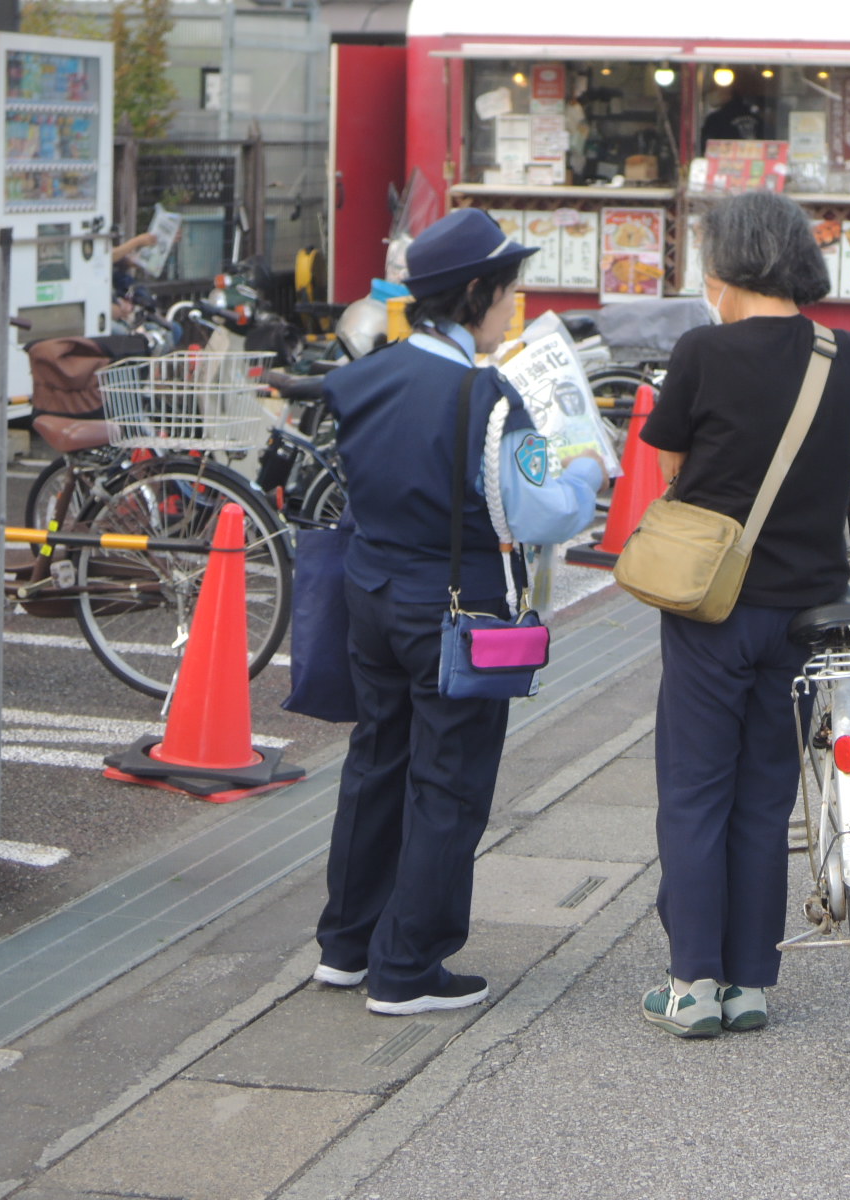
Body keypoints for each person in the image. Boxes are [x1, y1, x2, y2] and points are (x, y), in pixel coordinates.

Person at [635, 191, 850, 1038]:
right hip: (810, 615)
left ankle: (694, 987)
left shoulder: (702, 353)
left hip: (712, 609)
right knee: (763, 797)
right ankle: (752, 984)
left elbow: (671, 468)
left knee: (693, 792)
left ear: (726, 267)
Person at [313, 208, 606, 1015]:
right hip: (454, 605)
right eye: (509, 290)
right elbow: (539, 514)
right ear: (476, 293)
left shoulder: (367, 373)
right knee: (448, 782)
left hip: (370, 593)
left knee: (377, 763)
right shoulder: (486, 393)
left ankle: (347, 944)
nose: (514, 306)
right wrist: (583, 474)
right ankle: (406, 968)